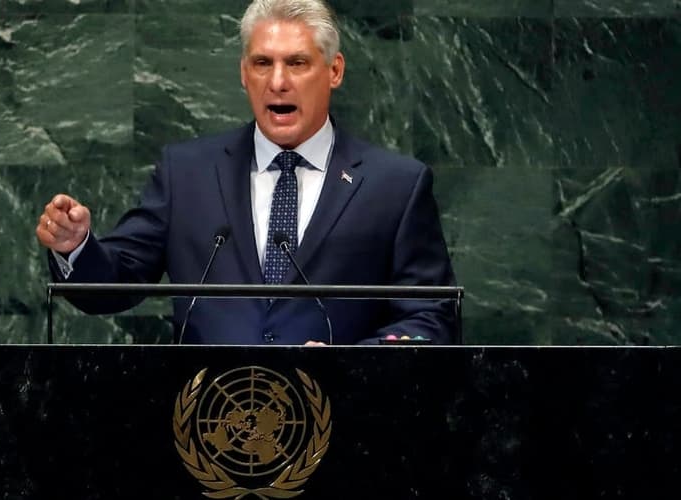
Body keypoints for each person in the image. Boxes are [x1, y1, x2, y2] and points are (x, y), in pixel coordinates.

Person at [36, 0, 457, 345]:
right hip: (207, 413)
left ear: (334, 71)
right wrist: (76, 248)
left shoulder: (395, 185)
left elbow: (431, 316)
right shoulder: (187, 174)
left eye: (297, 63)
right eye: (262, 63)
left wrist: (354, 364)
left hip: (340, 414)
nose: (278, 82)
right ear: (243, 73)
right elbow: (115, 283)